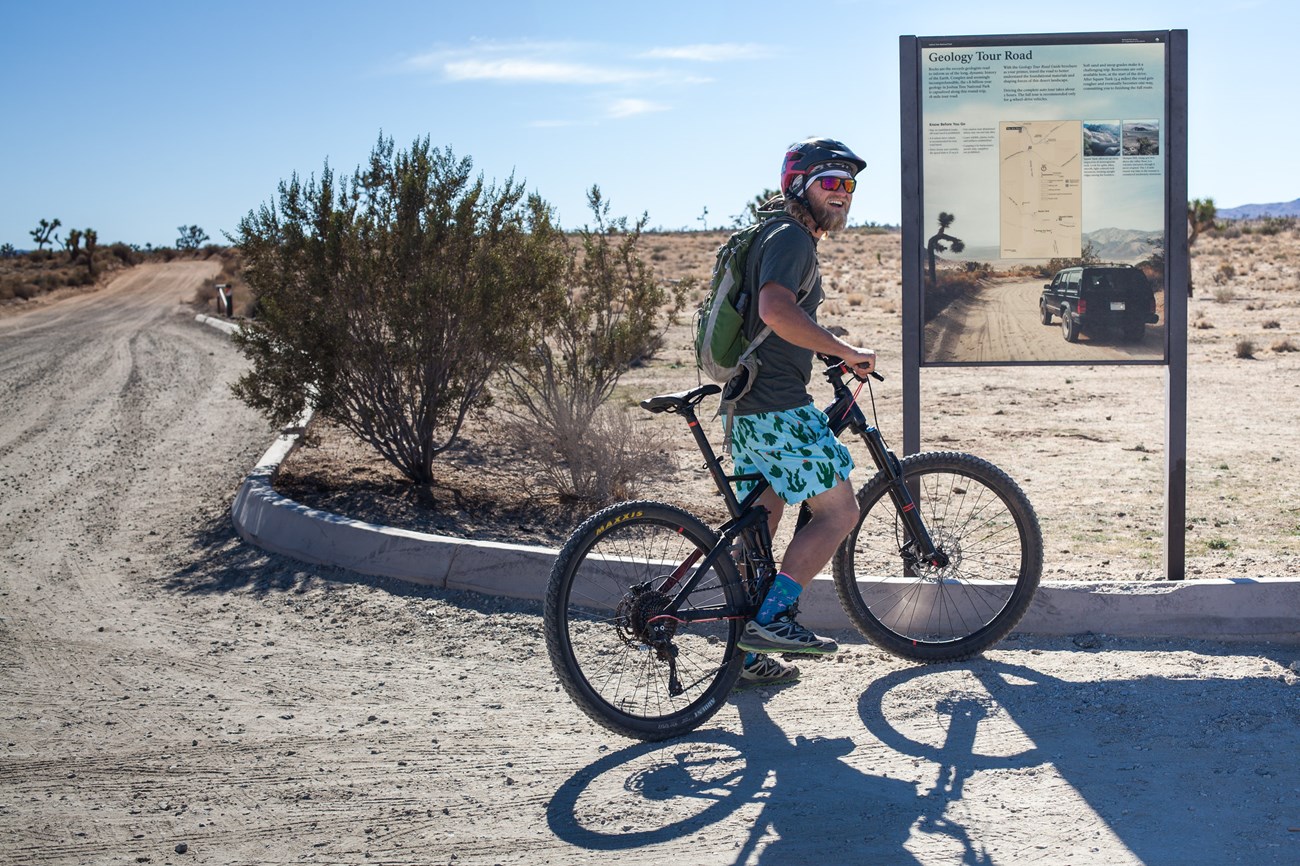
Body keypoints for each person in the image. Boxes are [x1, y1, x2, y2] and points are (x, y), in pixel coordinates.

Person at [731, 137, 877, 686]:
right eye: (829, 182)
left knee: (759, 530)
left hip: (748, 405)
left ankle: (742, 651)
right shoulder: (792, 237)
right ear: (799, 185)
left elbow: (775, 321)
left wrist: (828, 344)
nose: (842, 194)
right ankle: (772, 619)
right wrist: (844, 352)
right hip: (776, 407)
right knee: (839, 512)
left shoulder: (773, 232)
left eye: (848, 184)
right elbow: (775, 309)